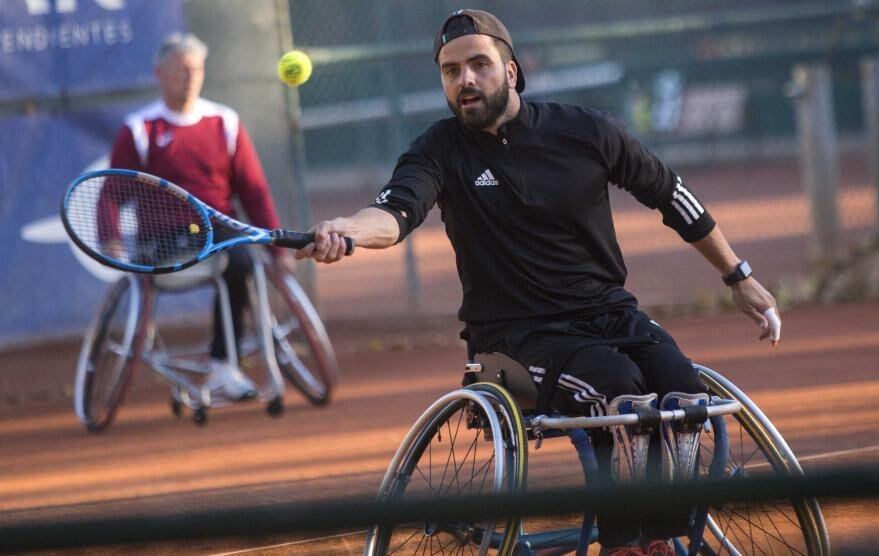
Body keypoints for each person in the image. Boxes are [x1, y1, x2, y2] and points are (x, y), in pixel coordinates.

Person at [297, 10, 781, 556]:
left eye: (478, 65)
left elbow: (671, 194)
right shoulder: (439, 150)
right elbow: (395, 212)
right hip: (517, 341)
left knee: (686, 392)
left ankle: (666, 531)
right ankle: (632, 544)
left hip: (612, 317)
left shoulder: (588, 131)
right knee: (620, 389)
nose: (465, 81)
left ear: (511, 70)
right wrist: (347, 231)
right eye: (450, 71)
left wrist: (738, 276)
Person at [109, 32, 291, 401]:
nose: (189, 76)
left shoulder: (225, 122)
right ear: (159, 74)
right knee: (228, 261)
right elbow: (113, 194)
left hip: (220, 231)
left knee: (239, 262)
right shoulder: (139, 130)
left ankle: (224, 368)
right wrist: (110, 237)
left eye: (195, 69)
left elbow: (253, 191)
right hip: (159, 242)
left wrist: (278, 246)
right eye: (180, 69)